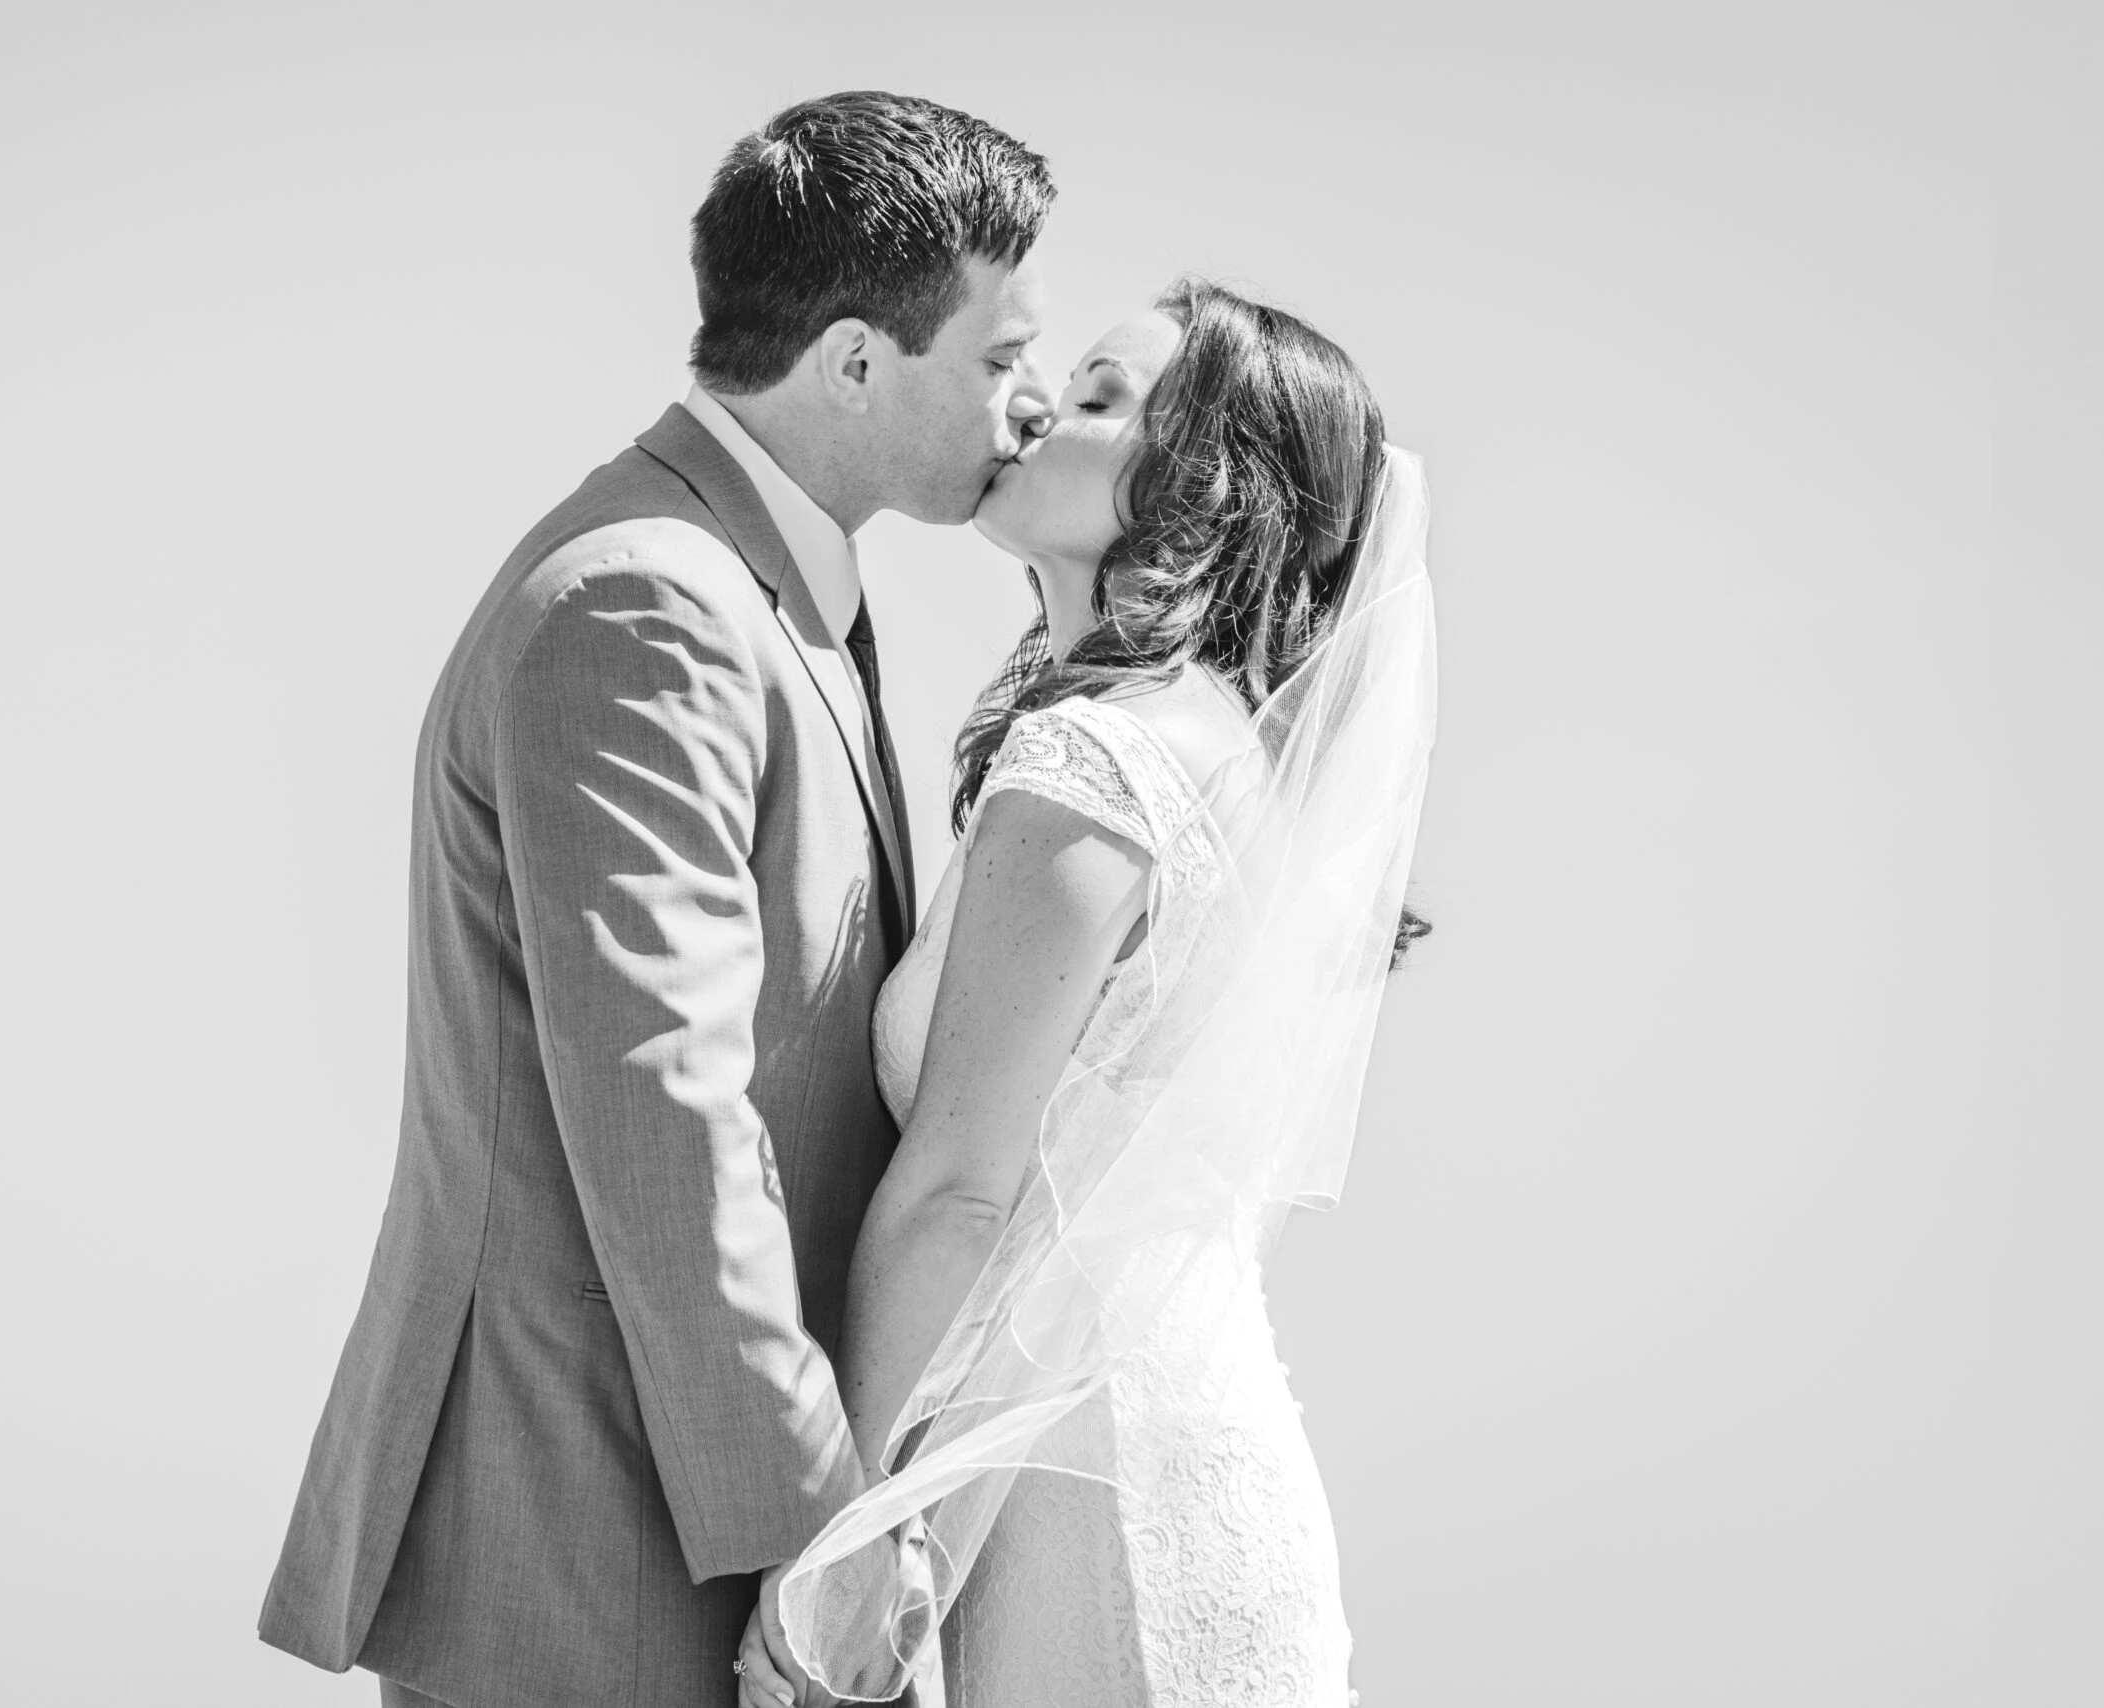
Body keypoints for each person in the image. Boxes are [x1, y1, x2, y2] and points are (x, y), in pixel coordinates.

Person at [256, 91, 1056, 1708]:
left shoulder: (765, 582)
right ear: (850, 361)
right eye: (998, 358)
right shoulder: (650, 602)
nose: (1029, 404)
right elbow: (668, 1119)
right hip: (596, 1533)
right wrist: (824, 1552)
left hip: (674, 1510)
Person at [743, 279, 1438, 1706]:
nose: (1045, 405)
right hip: (1162, 1456)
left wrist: (846, 1558)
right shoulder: (1213, 759)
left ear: (1204, 492)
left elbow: (963, 1197)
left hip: (1100, 1499)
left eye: (1109, 401)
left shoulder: (1096, 768)